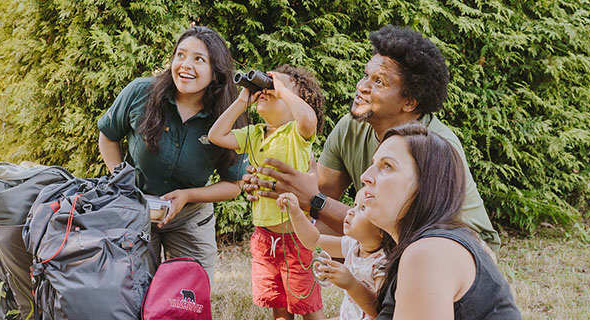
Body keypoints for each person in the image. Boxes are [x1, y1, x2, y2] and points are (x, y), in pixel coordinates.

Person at [243, 24, 501, 252]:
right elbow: (318, 200)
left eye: (379, 82)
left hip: (461, 248)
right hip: (404, 241)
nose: (362, 86)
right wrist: (272, 185)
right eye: (367, 75)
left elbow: (403, 232)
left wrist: (313, 200)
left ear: (410, 102)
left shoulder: (434, 145)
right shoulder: (351, 128)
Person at [97, 26, 248, 285]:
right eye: (181, 55)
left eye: (199, 59)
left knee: (189, 298)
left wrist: (189, 195)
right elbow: (108, 135)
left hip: (191, 216)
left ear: (216, 72)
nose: (185, 65)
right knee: (129, 292)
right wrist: (119, 177)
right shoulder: (140, 93)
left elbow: (235, 184)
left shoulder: (228, 118)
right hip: (136, 208)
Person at [356, 122, 520, 319]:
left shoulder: (429, 254)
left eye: (387, 166)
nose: (366, 176)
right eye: (373, 164)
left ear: (425, 185)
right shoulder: (431, 245)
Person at [208, 65, 326, 320]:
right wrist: (242, 100)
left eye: (274, 88)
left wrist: (281, 89)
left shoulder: (296, 133)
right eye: (265, 87)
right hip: (264, 238)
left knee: (307, 306)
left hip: (295, 238)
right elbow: (216, 135)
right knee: (278, 305)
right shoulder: (253, 134)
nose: (267, 91)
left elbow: (308, 119)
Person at [277, 191, 385, 320]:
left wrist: (351, 284)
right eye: (355, 205)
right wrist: (296, 213)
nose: (350, 211)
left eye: (362, 208)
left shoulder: (384, 264)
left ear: (383, 228)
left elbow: (380, 312)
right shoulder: (353, 245)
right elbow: (314, 240)